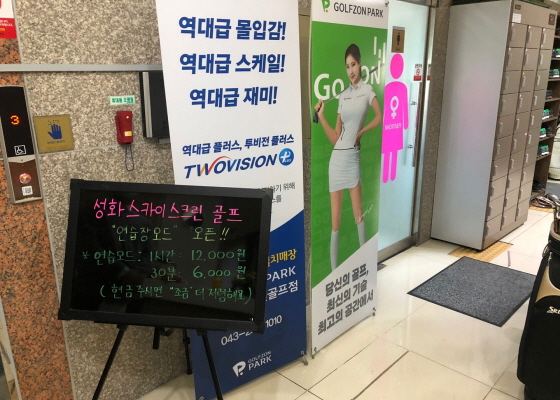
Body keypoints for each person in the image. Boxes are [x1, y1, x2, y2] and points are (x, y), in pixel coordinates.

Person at [314, 44, 382, 271]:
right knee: (335, 224)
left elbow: (379, 117)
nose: (350, 70)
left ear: (360, 64)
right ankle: (334, 272)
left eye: (353, 65)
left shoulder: (368, 90)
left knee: (358, 216)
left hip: (352, 159)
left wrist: (361, 132)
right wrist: (322, 117)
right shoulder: (342, 95)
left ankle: (364, 266)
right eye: (347, 66)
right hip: (337, 160)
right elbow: (336, 137)